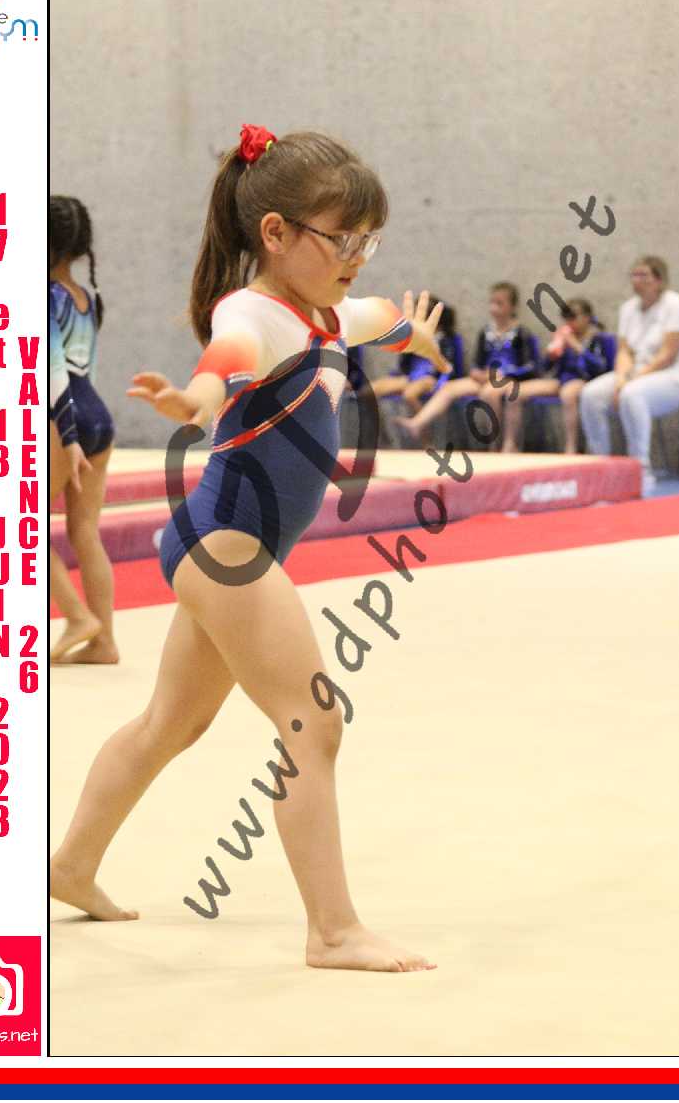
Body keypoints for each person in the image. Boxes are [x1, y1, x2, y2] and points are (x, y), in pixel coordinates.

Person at [50, 126, 449, 972]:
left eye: (369, 240)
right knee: (314, 720)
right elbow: (226, 360)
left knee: (168, 725)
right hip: (227, 546)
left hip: (228, 545)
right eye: (344, 240)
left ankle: (71, 866)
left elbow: (385, 321)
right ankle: (332, 931)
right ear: (275, 233)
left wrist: (421, 337)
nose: (358, 258)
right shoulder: (255, 312)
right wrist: (193, 399)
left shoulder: (330, 312)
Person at [49, 196, 119, 665]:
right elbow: (84, 368)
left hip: (65, 418)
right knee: (85, 531)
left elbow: (53, 369)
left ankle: (77, 616)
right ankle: (104, 642)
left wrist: (68, 436)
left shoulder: (46, 296)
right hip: (97, 412)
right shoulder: (86, 297)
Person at [579, 257, 679, 493]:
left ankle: (639, 469)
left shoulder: (675, 304)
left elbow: (667, 354)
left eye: (643, 275)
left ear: (659, 280)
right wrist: (620, 378)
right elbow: (624, 351)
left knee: (631, 394)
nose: (637, 280)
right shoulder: (628, 308)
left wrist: (629, 382)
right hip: (638, 372)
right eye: (634, 275)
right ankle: (599, 464)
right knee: (590, 394)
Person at [396, 281, 537, 448]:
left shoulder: (521, 333)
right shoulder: (486, 332)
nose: (494, 308)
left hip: (509, 379)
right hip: (487, 378)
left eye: (500, 303)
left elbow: (530, 367)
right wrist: (476, 372)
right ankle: (418, 423)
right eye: (492, 302)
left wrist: (504, 374)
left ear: (513, 307)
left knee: (490, 393)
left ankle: (496, 445)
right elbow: (478, 362)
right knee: (449, 388)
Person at [501, 297, 610, 453]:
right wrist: (551, 356)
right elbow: (544, 369)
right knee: (514, 392)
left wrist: (577, 347)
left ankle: (571, 446)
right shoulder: (563, 337)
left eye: (573, 317)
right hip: (561, 379)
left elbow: (600, 367)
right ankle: (510, 443)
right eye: (566, 317)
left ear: (586, 317)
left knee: (567, 394)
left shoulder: (598, 338)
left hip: (584, 379)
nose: (569, 322)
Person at [372, 297, 462, 414]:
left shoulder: (446, 340)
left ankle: (420, 424)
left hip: (431, 378)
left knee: (409, 394)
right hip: (412, 376)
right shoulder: (414, 337)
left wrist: (439, 381)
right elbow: (404, 364)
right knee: (371, 390)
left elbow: (449, 368)